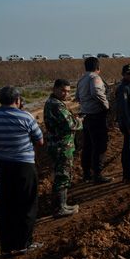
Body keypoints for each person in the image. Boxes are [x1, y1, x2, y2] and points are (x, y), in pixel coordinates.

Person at [0, 86, 44, 255]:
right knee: (27, 204)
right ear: (17, 100)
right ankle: (24, 243)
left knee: (5, 205)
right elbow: (40, 140)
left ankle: (6, 247)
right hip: (24, 165)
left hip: (2, 166)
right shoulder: (26, 117)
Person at [43, 79, 82, 217]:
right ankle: (60, 208)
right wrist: (79, 121)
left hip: (60, 145)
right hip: (61, 146)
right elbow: (70, 124)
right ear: (54, 89)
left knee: (63, 175)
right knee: (62, 176)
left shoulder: (54, 103)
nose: (65, 93)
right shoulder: (56, 105)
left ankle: (62, 205)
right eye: (62, 90)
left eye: (68, 91)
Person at [76, 56, 111, 184]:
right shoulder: (95, 78)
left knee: (88, 145)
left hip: (86, 115)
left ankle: (86, 174)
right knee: (100, 145)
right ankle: (98, 174)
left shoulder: (81, 80)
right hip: (97, 115)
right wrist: (106, 104)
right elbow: (96, 92)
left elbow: (77, 97)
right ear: (98, 68)